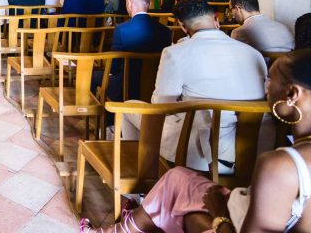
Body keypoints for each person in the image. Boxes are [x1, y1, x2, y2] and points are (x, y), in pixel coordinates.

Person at [81, 49, 311, 233]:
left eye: (271, 79)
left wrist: (220, 213)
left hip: (226, 202)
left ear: (292, 94)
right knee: (178, 180)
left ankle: (127, 219)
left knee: (179, 200)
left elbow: (160, 104)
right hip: (233, 163)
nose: (266, 86)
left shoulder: (280, 165)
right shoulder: (251, 52)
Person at [121, 0, 267, 173]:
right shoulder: (253, 53)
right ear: (216, 20)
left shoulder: (175, 52)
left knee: (128, 107)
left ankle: (143, 182)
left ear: (183, 27)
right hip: (252, 150)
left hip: (203, 154)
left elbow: (161, 106)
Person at [103, 0, 172, 102]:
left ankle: (108, 118)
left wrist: (110, 73)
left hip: (127, 85)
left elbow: (114, 66)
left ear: (129, 4)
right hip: (156, 84)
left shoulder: (122, 29)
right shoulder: (165, 30)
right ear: (149, 4)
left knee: (92, 77)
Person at [230, 0, 295, 53]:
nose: (231, 14)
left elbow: (237, 59)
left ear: (237, 8)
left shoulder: (239, 32)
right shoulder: (283, 27)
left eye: (231, 9)